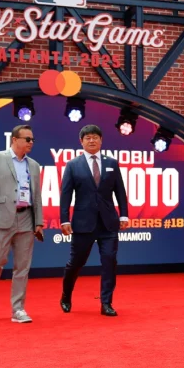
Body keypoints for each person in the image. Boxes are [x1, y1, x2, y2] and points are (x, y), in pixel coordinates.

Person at [59, 124, 129, 317]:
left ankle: (106, 303)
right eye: (87, 137)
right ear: (81, 142)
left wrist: (124, 214)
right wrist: (64, 219)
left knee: (109, 261)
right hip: (83, 223)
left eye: (95, 137)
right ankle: (66, 295)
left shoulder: (112, 163)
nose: (92, 140)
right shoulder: (73, 165)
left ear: (101, 140)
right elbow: (66, 194)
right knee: (76, 263)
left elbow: (120, 191)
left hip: (108, 223)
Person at [0, 125, 44, 323]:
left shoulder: (34, 165)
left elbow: (37, 196)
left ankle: (18, 309)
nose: (31, 143)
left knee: (22, 267)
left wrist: (38, 222)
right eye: (27, 139)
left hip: (25, 219)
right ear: (14, 140)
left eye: (32, 140)